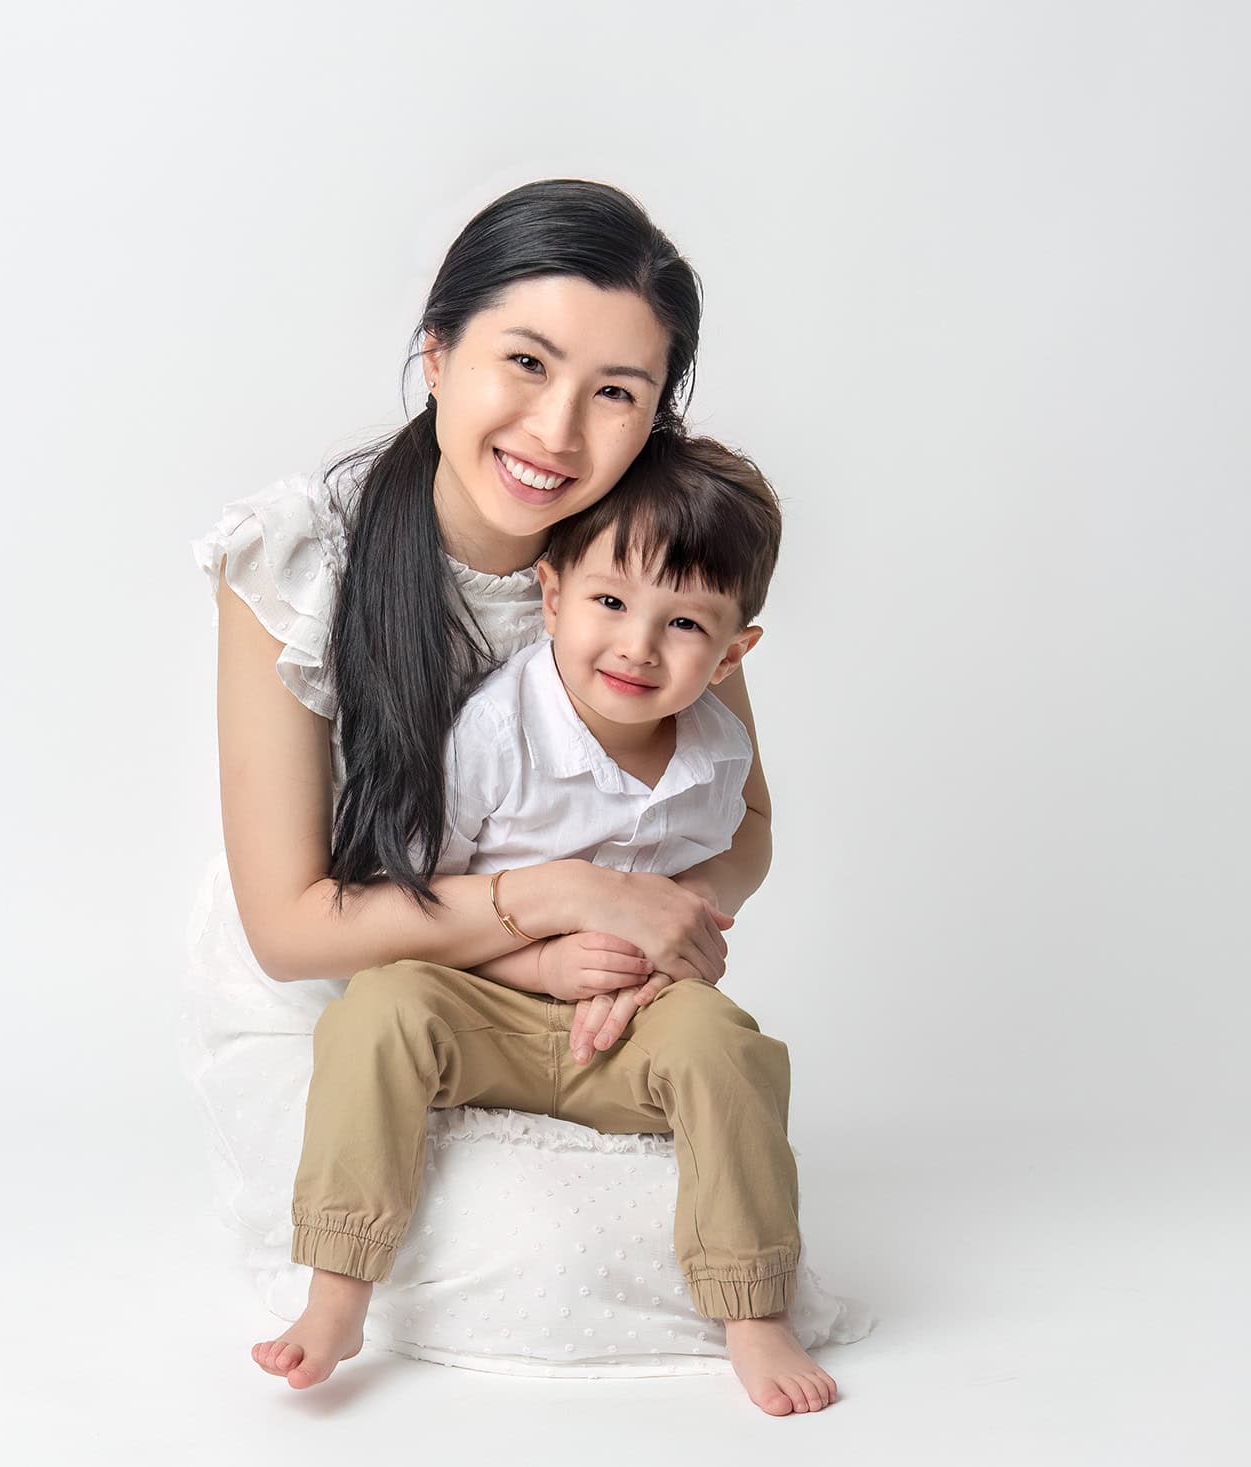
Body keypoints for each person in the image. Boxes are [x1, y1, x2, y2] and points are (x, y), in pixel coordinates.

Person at [193, 180, 825, 1413]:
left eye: (616, 393)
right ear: (436, 352)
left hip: (595, 995)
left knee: (661, 1214)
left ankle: (747, 1302)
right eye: (524, 362)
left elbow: (737, 822)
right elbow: (289, 930)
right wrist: (571, 901)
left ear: (655, 417)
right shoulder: (303, 556)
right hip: (356, 979)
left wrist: (653, 944)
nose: (557, 430)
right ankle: (336, 1298)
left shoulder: (645, 554)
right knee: (534, 1256)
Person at [264, 434, 839, 1416]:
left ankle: (752, 1305)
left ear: (732, 653)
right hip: (483, 999)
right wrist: (537, 967)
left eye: (683, 624)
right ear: (552, 596)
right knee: (379, 1010)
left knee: (727, 1047)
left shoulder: (713, 750)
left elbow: (724, 861)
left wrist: (663, 964)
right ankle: (337, 1288)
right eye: (610, 602)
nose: (637, 646)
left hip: (625, 1019)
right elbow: (415, 901)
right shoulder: (497, 732)